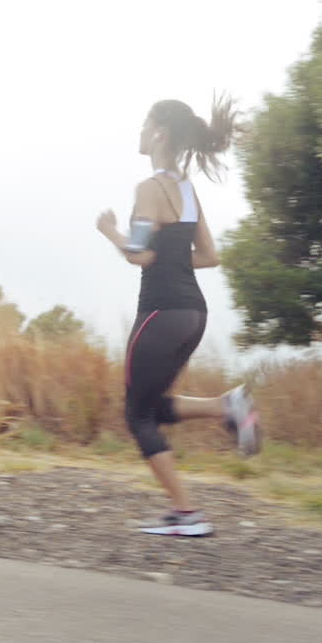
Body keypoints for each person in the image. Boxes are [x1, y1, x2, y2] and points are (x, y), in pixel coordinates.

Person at [95, 96, 260, 537]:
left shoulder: (149, 188)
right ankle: (227, 406)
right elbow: (210, 256)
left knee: (137, 416)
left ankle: (187, 514)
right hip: (193, 313)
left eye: (144, 125)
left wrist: (110, 230)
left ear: (160, 134)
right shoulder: (187, 191)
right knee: (151, 408)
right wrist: (170, 258)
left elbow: (140, 255)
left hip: (161, 311)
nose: (140, 133)